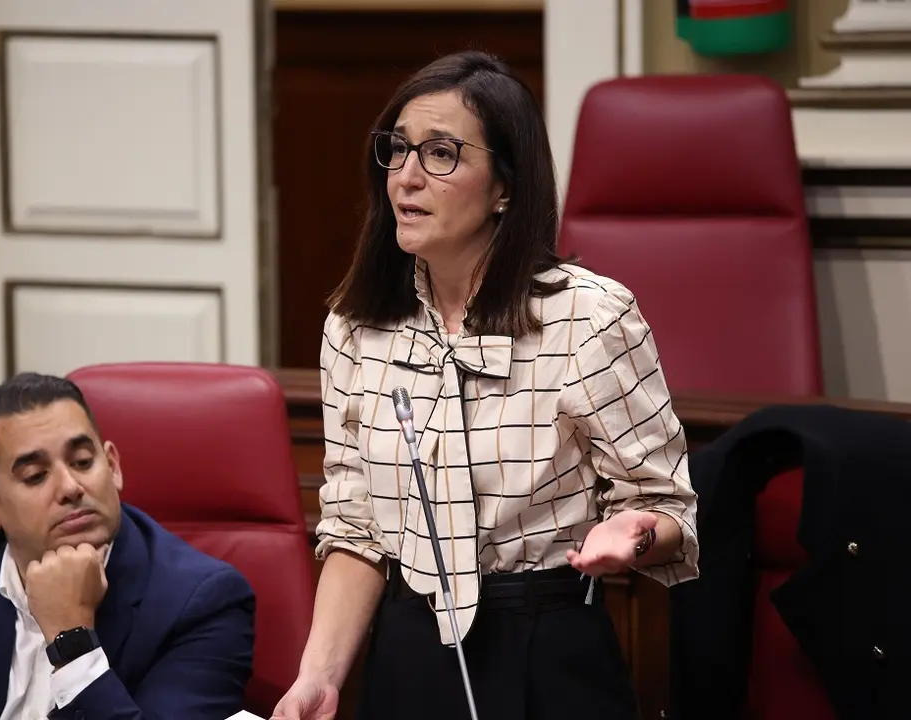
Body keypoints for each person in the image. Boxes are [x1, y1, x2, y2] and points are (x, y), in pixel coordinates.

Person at [272, 51, 699, 720]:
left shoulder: (589, 317)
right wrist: (319, 676)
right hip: (408, 650)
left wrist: (634, 533)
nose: (407, 178)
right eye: (398, 150)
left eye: (442, 154)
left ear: (506, 187)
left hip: (546, 648)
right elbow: (355, 530)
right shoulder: (355, 326)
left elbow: (668, 511)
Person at [0, 372, 256, 720]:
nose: (71, 488)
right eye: (37, 476)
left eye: (82, 462)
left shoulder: (202, 602)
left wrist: (71, 638)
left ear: (112, 466)